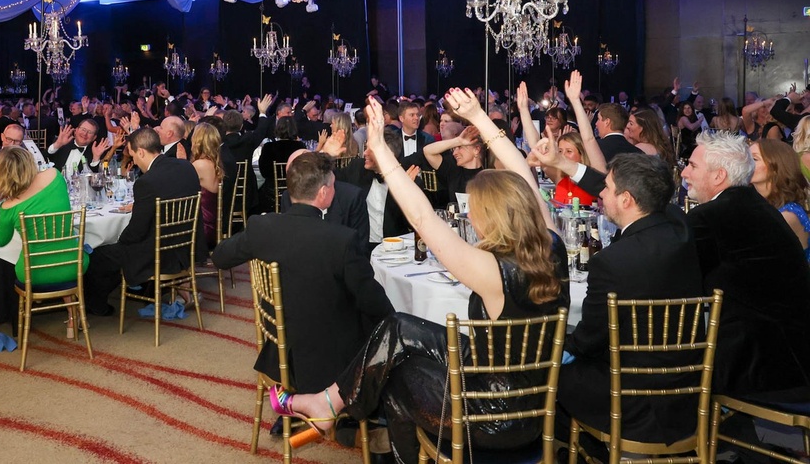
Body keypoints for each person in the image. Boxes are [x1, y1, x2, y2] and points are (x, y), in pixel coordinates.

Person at [274, 91, 568, 464]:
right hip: (534, 395)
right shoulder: (551, 243)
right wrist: (478, 116)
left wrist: (381, 150)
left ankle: (350, 418)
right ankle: (330, 402)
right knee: (397, 327)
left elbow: (423, 219)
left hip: (496, 415)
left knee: (395, 379)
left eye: (476, 211)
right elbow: (523, 174)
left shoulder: (492, 271)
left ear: (492, 218)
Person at [551, 152, 704, 445]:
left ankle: (589, 448)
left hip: (631, 401)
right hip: (686, 391)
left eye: (606, 188)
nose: (601, 194)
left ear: (626, 200)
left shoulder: (611, 262)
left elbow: (589, 341)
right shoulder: (680, 225)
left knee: (546, 369)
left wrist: (555, 346)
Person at [212, 152, 393, 393]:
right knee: (386, 325)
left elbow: (220, 257)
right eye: (332, 185)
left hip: (279, 342)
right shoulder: (341, 240)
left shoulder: (262, 228)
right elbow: (373, 301)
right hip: (330, 352)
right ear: (323, 193)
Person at [681, 131, 810, 399]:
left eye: (692, 166)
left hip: (763, 363)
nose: (684, 173)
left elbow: (677, 272)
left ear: (719, 176)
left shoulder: (713, 215)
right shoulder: (753, 205)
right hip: (791, 349)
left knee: (667, 362)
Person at [0, 145, 86, 330]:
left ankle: (17, 317)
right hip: (73, 264)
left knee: (30, 257)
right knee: (56, 247)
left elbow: (0, 240)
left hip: (34, 273)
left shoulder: (9, 206)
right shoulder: (55, 176)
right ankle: (73, 316)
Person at [83, 127, 202, 316]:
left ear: (141, 152)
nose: (134, 161)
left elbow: (137, 231)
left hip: (160, 254)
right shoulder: (186, 166)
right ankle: (131, 288)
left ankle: (95, 305)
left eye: (133, 155)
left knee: (99, 254)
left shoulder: (147, 182)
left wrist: (116, 241)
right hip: (187, 246)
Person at [750, 139, 810, 259]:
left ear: (775, 167)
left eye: (754, 159)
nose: (746, 163)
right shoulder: (754, 202)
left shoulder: (788, 215)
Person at [422, 124, 483, 202]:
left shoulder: (488, 176)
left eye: (460, 147)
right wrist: (458, 141)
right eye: (455, 148)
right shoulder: (452, 169)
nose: (455, 153)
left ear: (476, 150)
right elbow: (427, 151)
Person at [190, 122, 224, 249]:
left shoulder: (200, 165)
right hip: (213, 224)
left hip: (202, 228)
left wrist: (181, 162)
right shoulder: (214, 162)